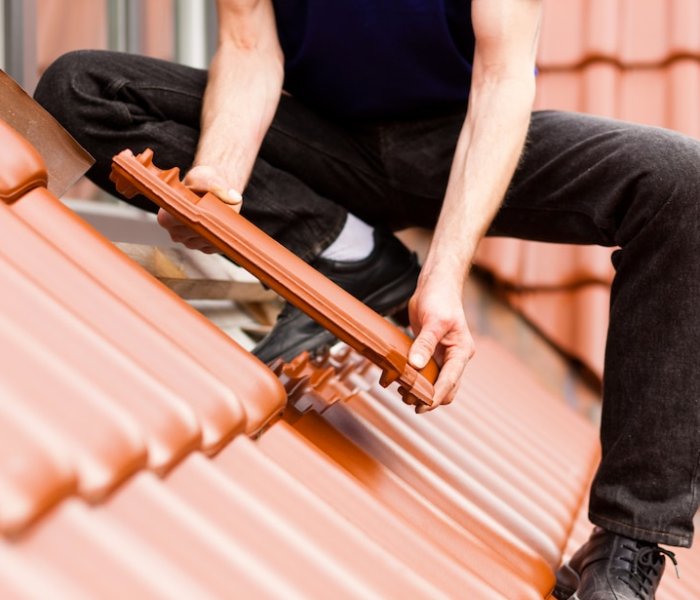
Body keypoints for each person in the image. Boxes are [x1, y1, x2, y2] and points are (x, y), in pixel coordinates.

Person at [34, 1, 699, 597]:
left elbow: (501, 85)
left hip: (456, 140)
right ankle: (351, 252)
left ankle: (631, 541)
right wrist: (219, 183)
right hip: (327, 141)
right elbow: (248, 50)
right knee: (82, 87)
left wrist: (444, 274)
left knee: (681, 182)